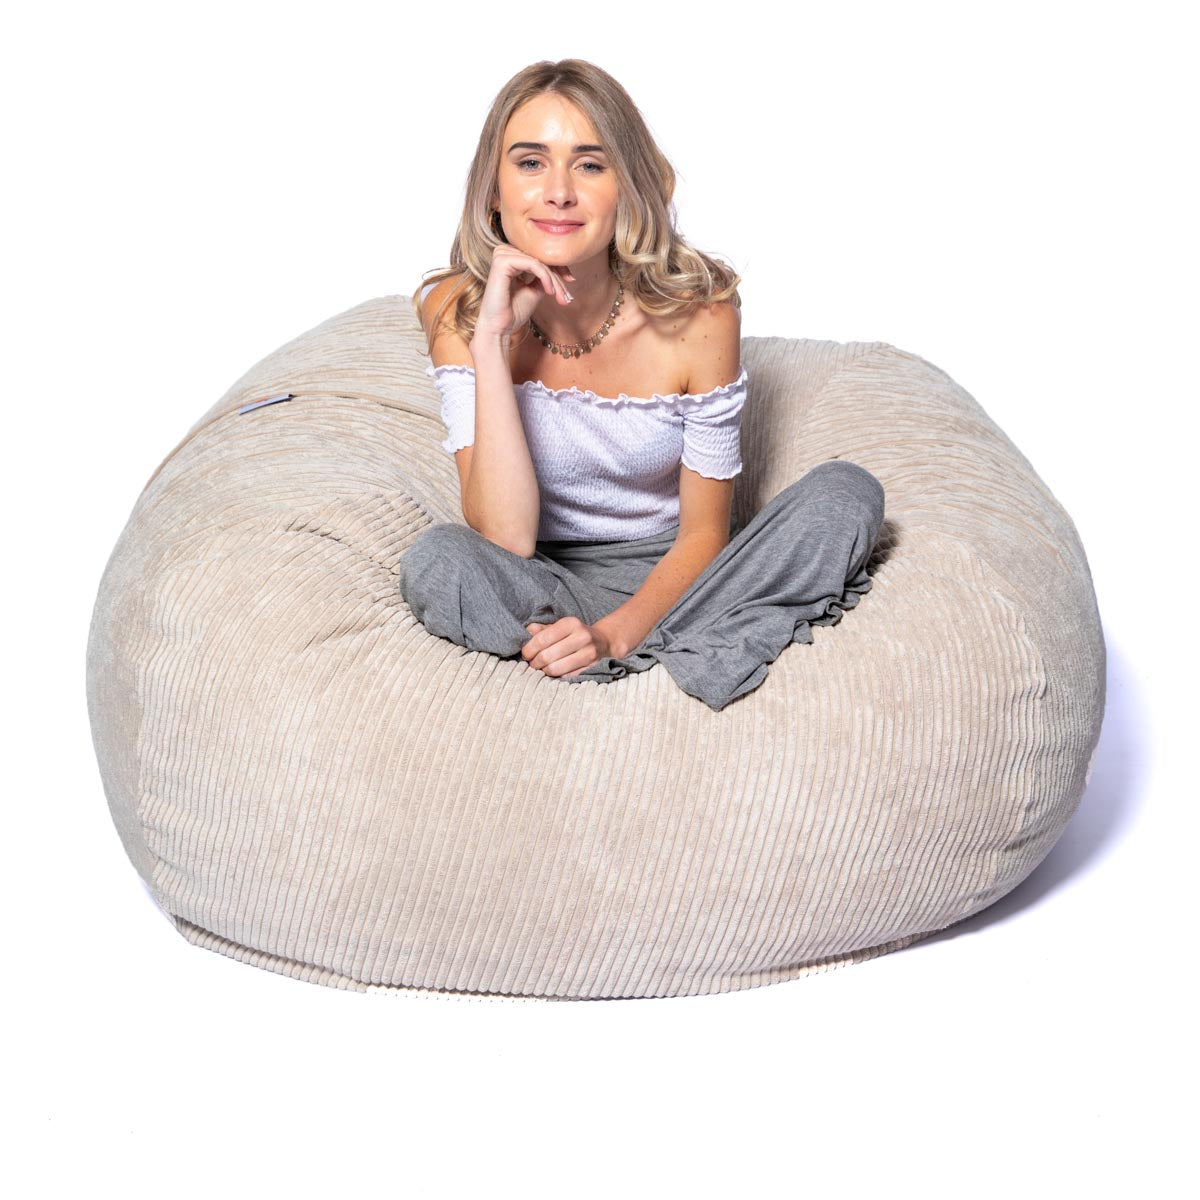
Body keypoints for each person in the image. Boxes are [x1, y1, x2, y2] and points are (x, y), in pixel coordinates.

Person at [400, 59, 885, 712]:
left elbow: (703, 536)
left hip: (683, 578)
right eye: (530, 162)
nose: (560, 192)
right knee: (438, 561)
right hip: (542, 580)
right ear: (492, 188)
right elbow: (504, 539)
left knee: (847, 495)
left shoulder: (701, 316)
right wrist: (492, 344)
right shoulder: (454, 307)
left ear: (625, 187)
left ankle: (604, 662)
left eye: (591, 165)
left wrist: (611, 637)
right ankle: (687, 655)